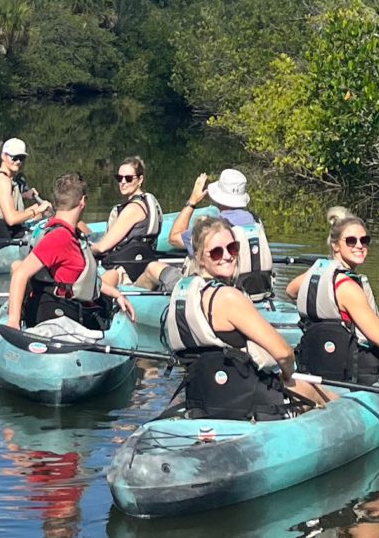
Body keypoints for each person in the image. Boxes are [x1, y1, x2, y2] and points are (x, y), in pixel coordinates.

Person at [162, 216, 327, 417]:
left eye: (232, 248)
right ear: (198, 257)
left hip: (201, 400)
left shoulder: (185, 294)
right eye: (216, 252)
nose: (227, 256)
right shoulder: (228, 297)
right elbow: (283, 353)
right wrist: (287, 375)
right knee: (319, 394)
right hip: (245, 401)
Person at [286, 211, 379, 385]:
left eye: (364, 241)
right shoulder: (348, 288)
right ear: (335, 245)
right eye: (351, 241)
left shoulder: (315, 272)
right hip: (351, 370)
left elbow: (290, 291)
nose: (359, 246)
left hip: (312, 363)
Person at [3, 173, 114, 331]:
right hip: (61, 315)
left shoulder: (66, 232)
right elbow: (20, 274)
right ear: (82, 201)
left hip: (66, 309)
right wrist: (13, 321)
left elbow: (79, 281)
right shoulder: (60, 237)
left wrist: (116, 294)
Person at [154, 167, 275, 298]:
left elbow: (173, 238)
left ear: (218, 197)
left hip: (214, 291)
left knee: (153, 268)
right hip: (257, 292)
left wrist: (192, 202)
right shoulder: (256, 222)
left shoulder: (213, 228)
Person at [96, 156, 164, 280]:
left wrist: (83, 251)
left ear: (140, 179)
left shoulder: (133, 209)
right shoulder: (145, 202)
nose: (122, 182)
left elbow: (102, 247)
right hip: (141, 260)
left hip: (126, 268)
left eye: (128, 178)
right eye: (119, 178)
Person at [0, 136, 48, 242]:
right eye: (14, 157)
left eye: (21, 158)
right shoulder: (3, 181)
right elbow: (11, 219)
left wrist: (25, 196)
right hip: (5, 237)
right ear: (3, 156)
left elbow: (3, 201)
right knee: (40, 213)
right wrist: (38, 209)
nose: (18, 161)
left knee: (41, 213)